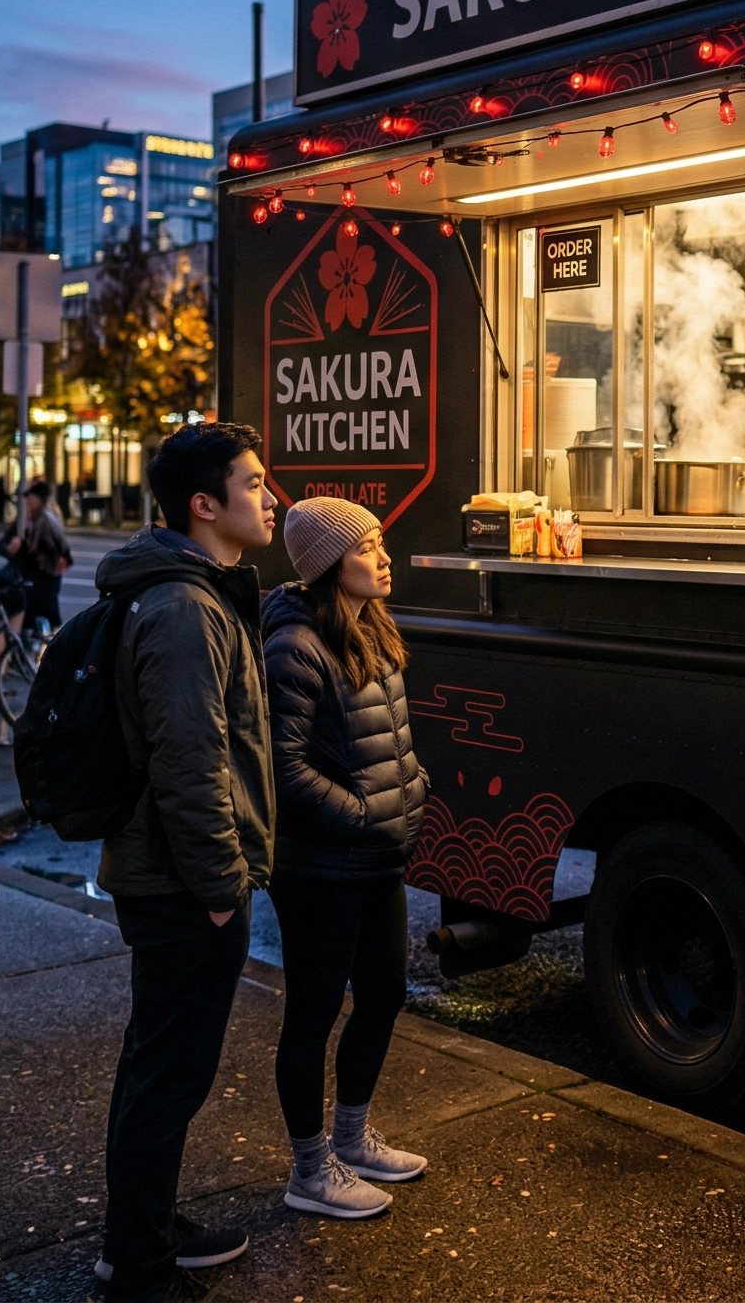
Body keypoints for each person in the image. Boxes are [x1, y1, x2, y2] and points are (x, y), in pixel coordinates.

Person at [92, 423, 276, 1299]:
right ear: (205, 505)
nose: (269, 498)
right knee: (167, 1073)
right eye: (254, 483)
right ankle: (138, 1263)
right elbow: (190, 762)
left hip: (179, 877)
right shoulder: (181, 609)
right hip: (181, 883)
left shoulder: (191, 594)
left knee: (163, 1065)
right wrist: (218, 889)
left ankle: (147, 1227)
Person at [263, 498, 427, 1221]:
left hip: (376, 858)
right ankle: (309, 1171)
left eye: (381, 543)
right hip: (320, 865)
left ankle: (353, 1140)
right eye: (368, 548)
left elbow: (388, 739)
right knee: (314, 1010)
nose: (384, 557)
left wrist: (410, 791)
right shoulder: (296, 647)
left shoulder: (374, 628)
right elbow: (283, 765)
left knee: (386, 992)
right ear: (332, 564)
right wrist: (360, 815)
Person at [0, 477, 72, 633]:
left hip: (44, 578)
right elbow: (2, 545)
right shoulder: (24, 520)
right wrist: (10, 548)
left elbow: (57, 549)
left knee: (43, 617)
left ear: (40, 500)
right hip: (31, 577)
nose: (27, 501)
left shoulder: (47, 520)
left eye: (31, 497)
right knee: (29, 616)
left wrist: (26, 551)